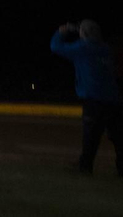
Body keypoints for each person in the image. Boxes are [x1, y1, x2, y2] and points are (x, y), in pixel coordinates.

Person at [52, 20, 122, 175]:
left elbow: (56, 47)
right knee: (118, 136)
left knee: (91, 135)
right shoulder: (106, 49)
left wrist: (62, 31)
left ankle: (85, 166)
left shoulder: (83, 48)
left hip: (94, 99)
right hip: (113, 99)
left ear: (84, 34)